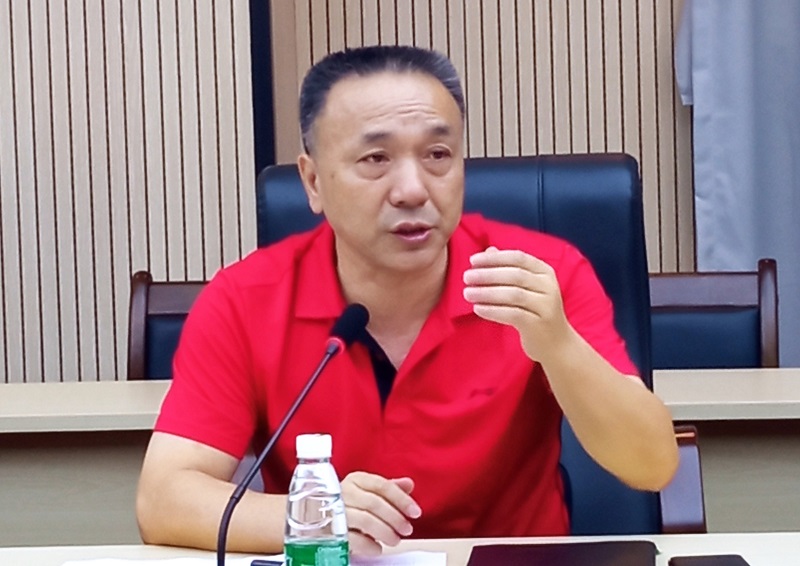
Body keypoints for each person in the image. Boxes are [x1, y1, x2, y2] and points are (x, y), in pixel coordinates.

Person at [136, 45, 678, 556]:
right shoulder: (245, 300)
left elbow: (652, 465)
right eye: (376, 158)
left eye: (438, 155)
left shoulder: (536, 278)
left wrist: (557, 344)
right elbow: (163, 499)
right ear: (314, 182)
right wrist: (319, 516)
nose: (414, 190)